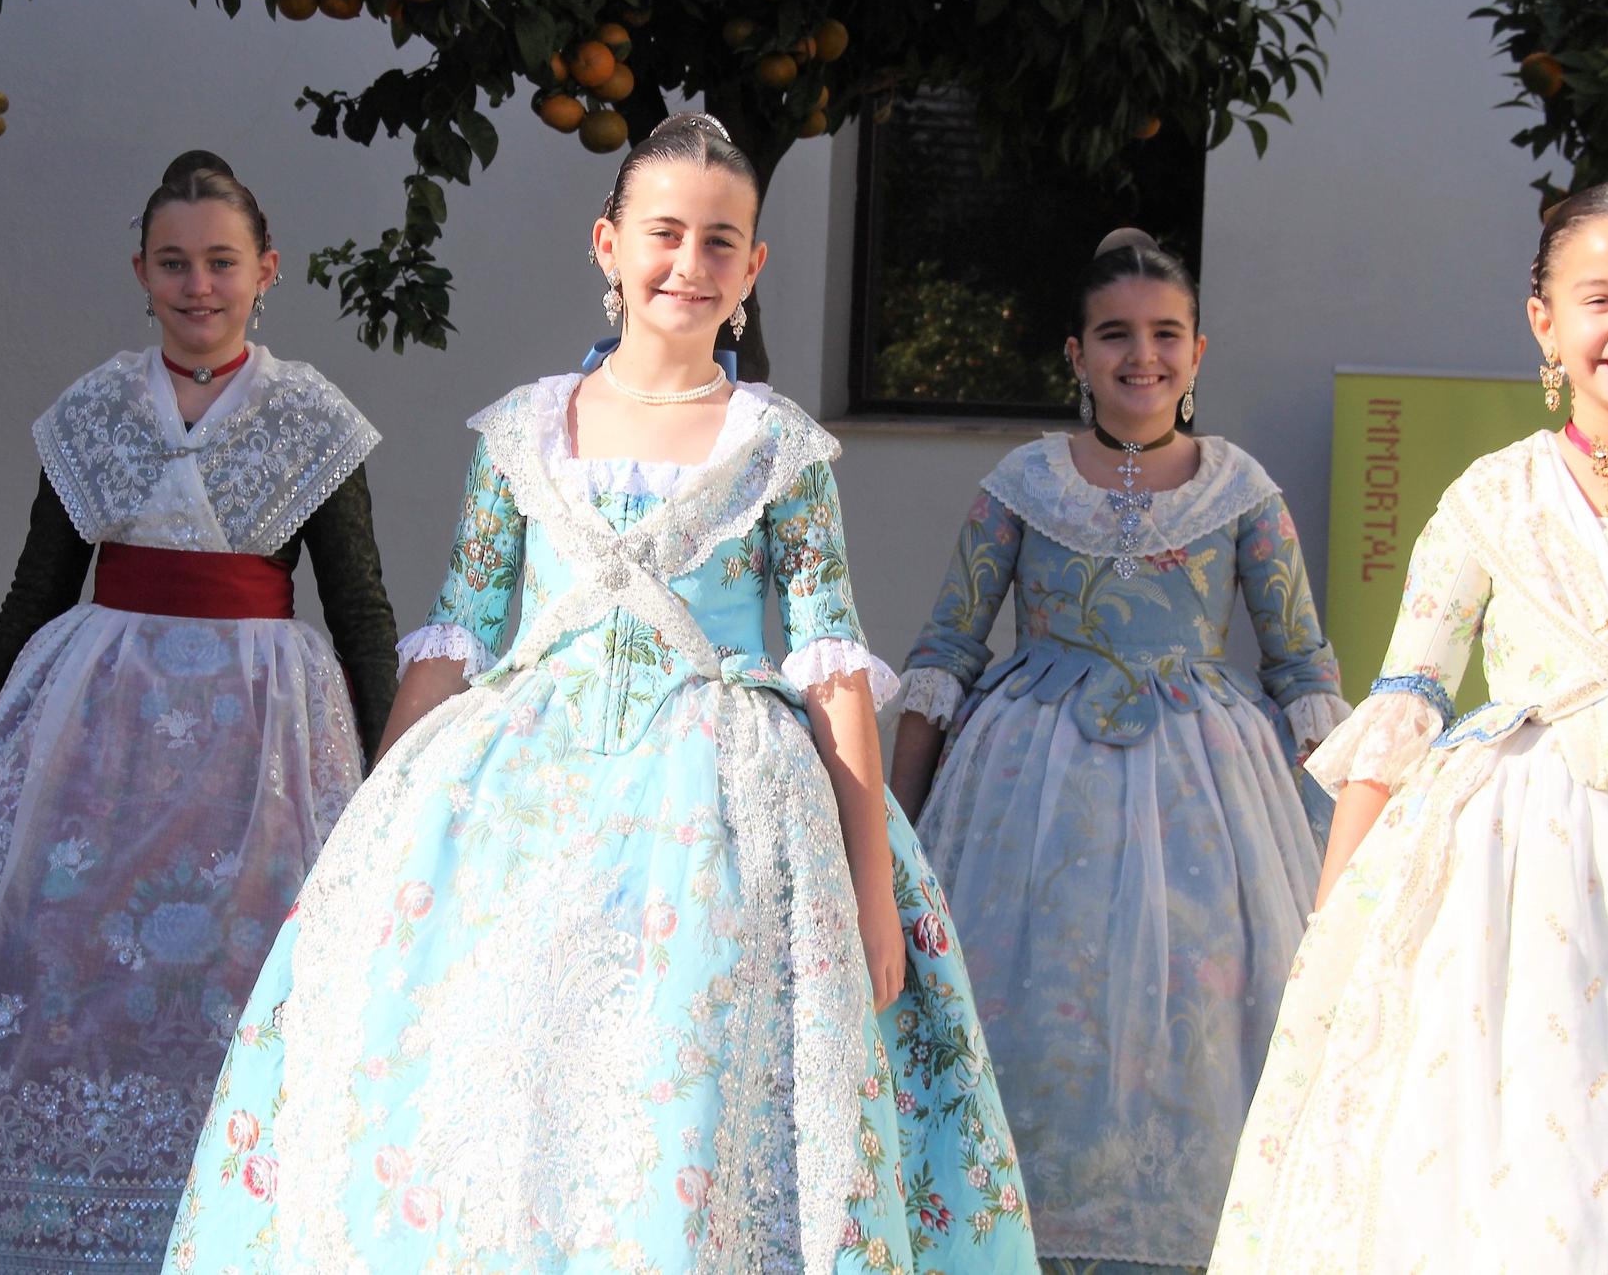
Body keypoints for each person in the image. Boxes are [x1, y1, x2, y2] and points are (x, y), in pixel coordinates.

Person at [161, 113, 1039, 1273]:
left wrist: (871, 888)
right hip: (521, 802)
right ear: (608, 246)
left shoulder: (777, 446)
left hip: (716, 819)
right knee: (503, 1069)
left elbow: (830, 660)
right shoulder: (521, 430)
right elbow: (461, 630)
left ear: (753, 268)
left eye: (720, 242)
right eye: (664, 233)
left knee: (674, 1080)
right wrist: (364, 841)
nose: (689, 263)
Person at [0, 151, 397, 1275]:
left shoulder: (312, 420)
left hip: (256, 753)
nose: (197, 286)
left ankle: (216, 1219)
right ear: (141, 273)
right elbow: (36, 588)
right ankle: (55, 1218)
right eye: (174, 263)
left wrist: (396, 767)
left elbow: (358, 604)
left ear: (266, 272)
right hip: (91, 738)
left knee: (231, 982)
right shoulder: (95, 412)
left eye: (219, 262)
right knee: (60, 971)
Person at [1210, 179, 1608, 1271]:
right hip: (1514, 873)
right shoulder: (1490, 498)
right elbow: (1408, 698)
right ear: (1543, 322)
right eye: (1599, 300)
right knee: (1525, 1145)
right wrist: (1336, 911)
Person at [888, 230, 1347, 1274]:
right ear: (1074, 353)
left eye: (1162, 334)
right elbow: (948, 646)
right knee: (1032, 1022)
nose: (1139, 355)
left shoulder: (1240, 489)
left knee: (1190, 1019)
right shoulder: (1021, 483)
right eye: (1113, 335)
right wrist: (894, 829)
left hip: (1207, 799)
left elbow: (1301, 668)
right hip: (1020, 797)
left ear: (1196, 351)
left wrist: (1337, 846)